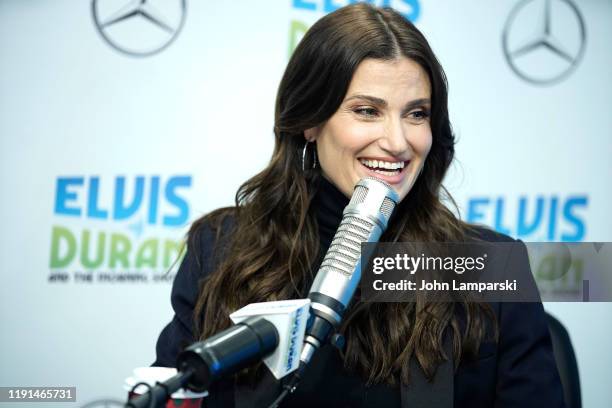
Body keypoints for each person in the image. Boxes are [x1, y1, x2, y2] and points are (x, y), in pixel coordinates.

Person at [153, 3, 566, 407]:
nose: (398, 141)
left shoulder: (492, 265)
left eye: (416, 114)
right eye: (368, 111)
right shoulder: (220, 248)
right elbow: (172, 389)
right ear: (310, 122)